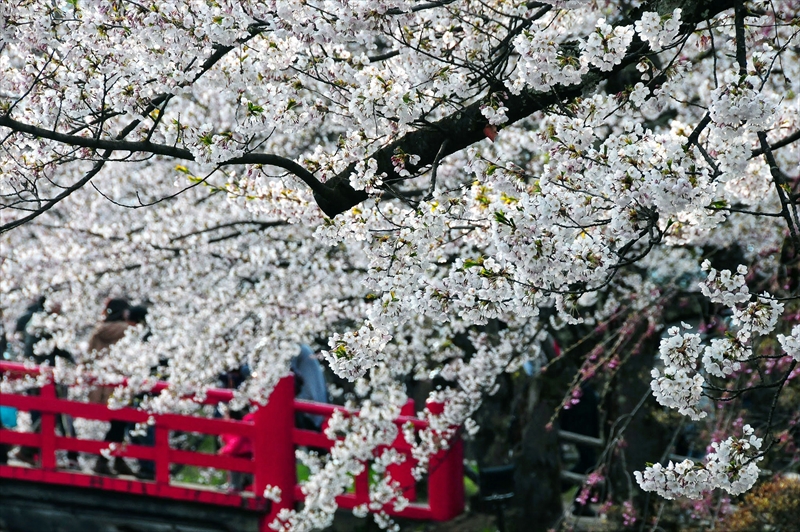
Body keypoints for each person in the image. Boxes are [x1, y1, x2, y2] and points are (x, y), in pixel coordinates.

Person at [87, 298, 148, 476]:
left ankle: (116, 460)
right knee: (119, 422)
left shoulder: (99, 331)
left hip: (102, 384)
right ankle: (104, 460)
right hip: (117, 384)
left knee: (118, 423)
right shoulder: (128, 331)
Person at [291, 344, 329, 430]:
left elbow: (287, 377)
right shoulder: (301, 347)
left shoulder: (294, 348)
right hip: (316, 410)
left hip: (307, 411)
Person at [218, 407, 254, 491]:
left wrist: (224, 450)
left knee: (237, 471)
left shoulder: (234, 425)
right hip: (243, 452)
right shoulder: (237, 424)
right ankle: (234, 485)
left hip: (241, 452)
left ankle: (234, 486)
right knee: (243, 472)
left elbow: (236, 441)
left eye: (226, 415)